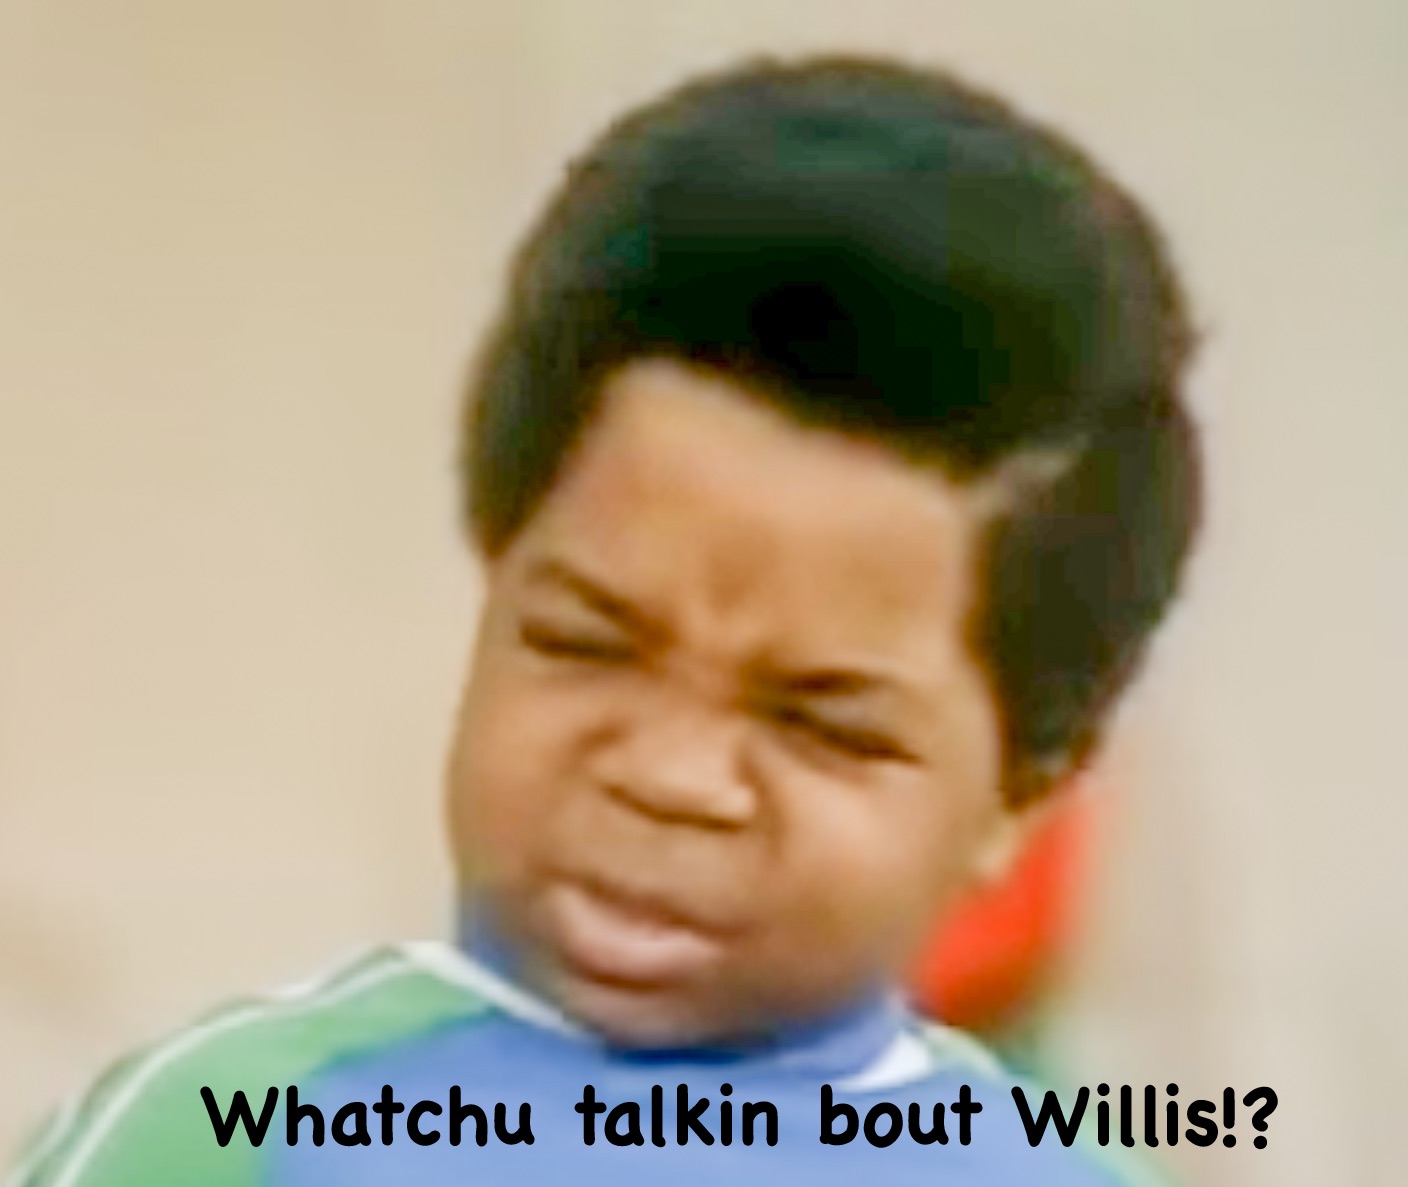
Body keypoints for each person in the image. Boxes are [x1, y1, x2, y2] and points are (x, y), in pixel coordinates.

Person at [8, 54, 1201, 1187]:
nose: (672, 777)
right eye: (586, 644)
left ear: (1023, 793)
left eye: (822, 724)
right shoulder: (225, 1141)